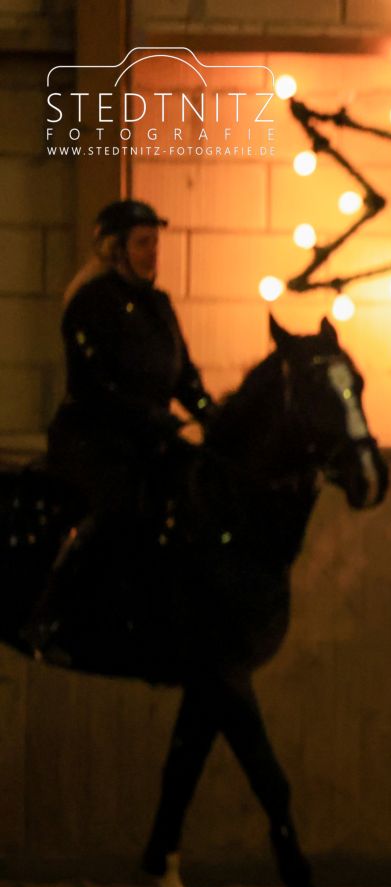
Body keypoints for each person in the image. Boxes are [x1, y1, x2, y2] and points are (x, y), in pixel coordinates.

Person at [29, 198, 214, 660]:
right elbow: (95, 387)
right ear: (116, 250)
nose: (153, 253)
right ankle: (50, 613)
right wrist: (153, 418)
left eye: (155, 243)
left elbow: (184, 376)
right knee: (116, 506)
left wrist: (212, 415)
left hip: (149, 438)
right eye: (143, 243)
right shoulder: (91, 303)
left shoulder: (159, 304)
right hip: (94, 439)